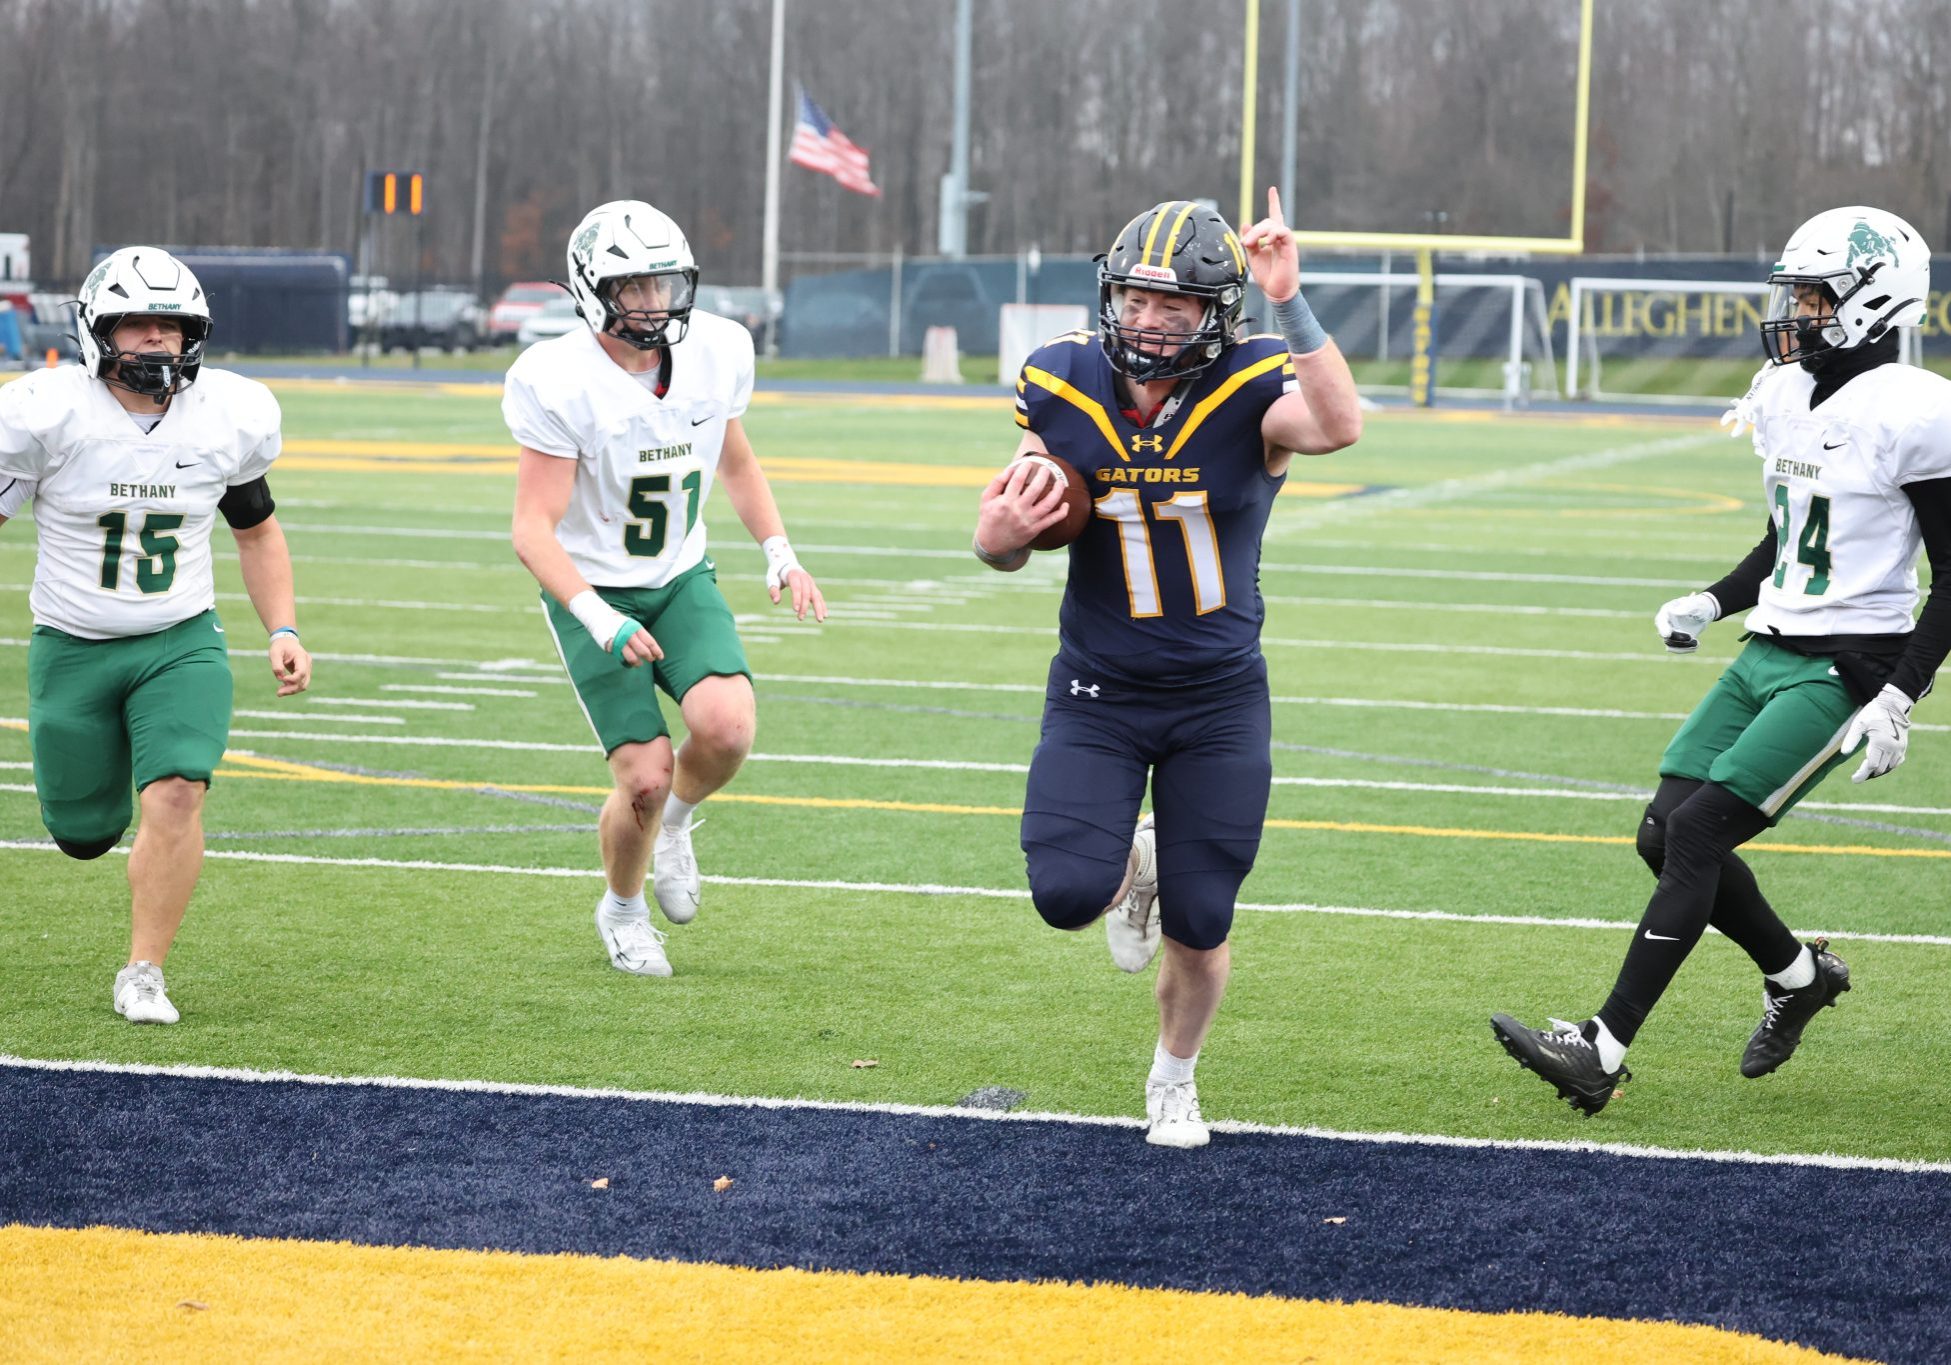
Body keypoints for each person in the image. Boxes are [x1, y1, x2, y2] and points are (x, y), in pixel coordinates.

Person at [1493, 205, 1951, 1114]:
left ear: (1872, 303)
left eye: (1816, 296)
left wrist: (1899, 693)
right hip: (1767, 646)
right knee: (1659, 833)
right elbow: (1786, 544)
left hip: (1846, 665)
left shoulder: (1917, 410)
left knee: (1698, 833)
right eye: (1795, 293)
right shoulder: (1785, 391)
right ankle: (1797, 975)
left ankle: (1600, 1047)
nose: (1795, 312)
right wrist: (1712, 598)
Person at [973, 190, 1363, 1147]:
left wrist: (1292, 300)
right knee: (1065, 891)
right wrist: (995, 540)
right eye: (1136, 300)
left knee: (1201, 915)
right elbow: (1026, 516)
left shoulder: (1254, 383)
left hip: (1217, 696)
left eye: (1175, 306)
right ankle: (1125, 868)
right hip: (1099, 689)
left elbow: (1339, 423)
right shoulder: (1060, 380)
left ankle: (1172, 1078)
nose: (1149, 322)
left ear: (1215, 313)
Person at [506, 199, 825, 979]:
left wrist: (779, 552)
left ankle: (676, 823)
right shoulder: (555, 378)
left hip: (678, 574)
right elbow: (532, 529)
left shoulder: (717, 349)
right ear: (591, 290)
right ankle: (621, 907)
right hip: (593, 587)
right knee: (643, 774)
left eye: (663, 283)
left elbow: (736, 461)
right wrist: (598, 618)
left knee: (726, 729)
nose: (652, 302)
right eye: (633, 287)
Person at [0, 246, 311, 1024]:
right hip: (72, 644)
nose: (155, 342)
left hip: (180, 638)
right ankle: (94, 836)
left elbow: (257, 532)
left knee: (178, 790)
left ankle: (144, 970)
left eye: (170, 327)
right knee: (81, 831)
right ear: (96, 330)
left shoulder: (225, 417)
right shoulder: (47, 414)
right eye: (135, 325)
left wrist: (282, 626)